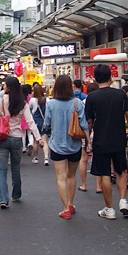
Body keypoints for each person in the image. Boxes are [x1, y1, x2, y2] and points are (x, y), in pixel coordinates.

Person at [85, 65, 128, 220]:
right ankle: (123, 200)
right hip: (119, 138)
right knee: (121, 170)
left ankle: (109, 209)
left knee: (104, 174)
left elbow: (89, 122)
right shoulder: (121, 94)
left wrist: (87, 141)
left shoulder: (92, 97)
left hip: (101, 140)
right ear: (110, 77)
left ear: (95, 79)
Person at [0, 76, 42, 208]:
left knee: (2, 170)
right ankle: (16, 194)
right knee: (15, 168)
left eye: (5, 85)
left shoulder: (0, 101)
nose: (3, 87)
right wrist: (38, 138)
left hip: (2, 137)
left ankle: (3, 199)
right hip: (17, 138)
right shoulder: (22, 103)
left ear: (8, 87)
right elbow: (30, 121)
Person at [43, 75, 90, 219]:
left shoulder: (51, 104)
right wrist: (88, 143)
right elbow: (84, 125)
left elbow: (47, 124)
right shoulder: (77, 103)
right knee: (71, 175)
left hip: (57, 145)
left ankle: (65, 209)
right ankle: (70, 203)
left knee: (61, 177)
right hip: (74, 145)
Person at [78, 82, 98, 193]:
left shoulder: (82, 103)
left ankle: (84, 184)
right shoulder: (101, 102)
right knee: (98, 159)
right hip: (99, 132)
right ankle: (99, 186)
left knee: (83, 159)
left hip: (85, 132)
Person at [28, 83, 50, 165]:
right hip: (45, 122)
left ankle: (36, 157)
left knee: (35, 141)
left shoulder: (33, 100)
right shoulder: (47, 100)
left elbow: (29, 109)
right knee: (45, 140)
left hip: (36, 122)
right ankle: (46, 158)